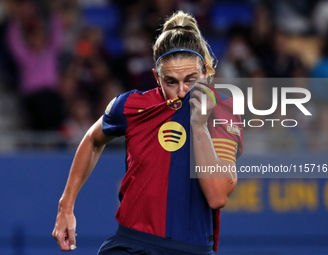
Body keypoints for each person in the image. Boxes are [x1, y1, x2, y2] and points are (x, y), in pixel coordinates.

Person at [52, 11, 243, 255]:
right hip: (130, 245)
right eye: (171, 81)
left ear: (205, 71)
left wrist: (198, 126)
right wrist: (65, 206)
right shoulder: (130, 105)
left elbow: (217, 196)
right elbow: (92, 139)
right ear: (156, 76)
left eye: (191, 79)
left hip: (190, 249)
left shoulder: (224, 110)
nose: (182, 91)